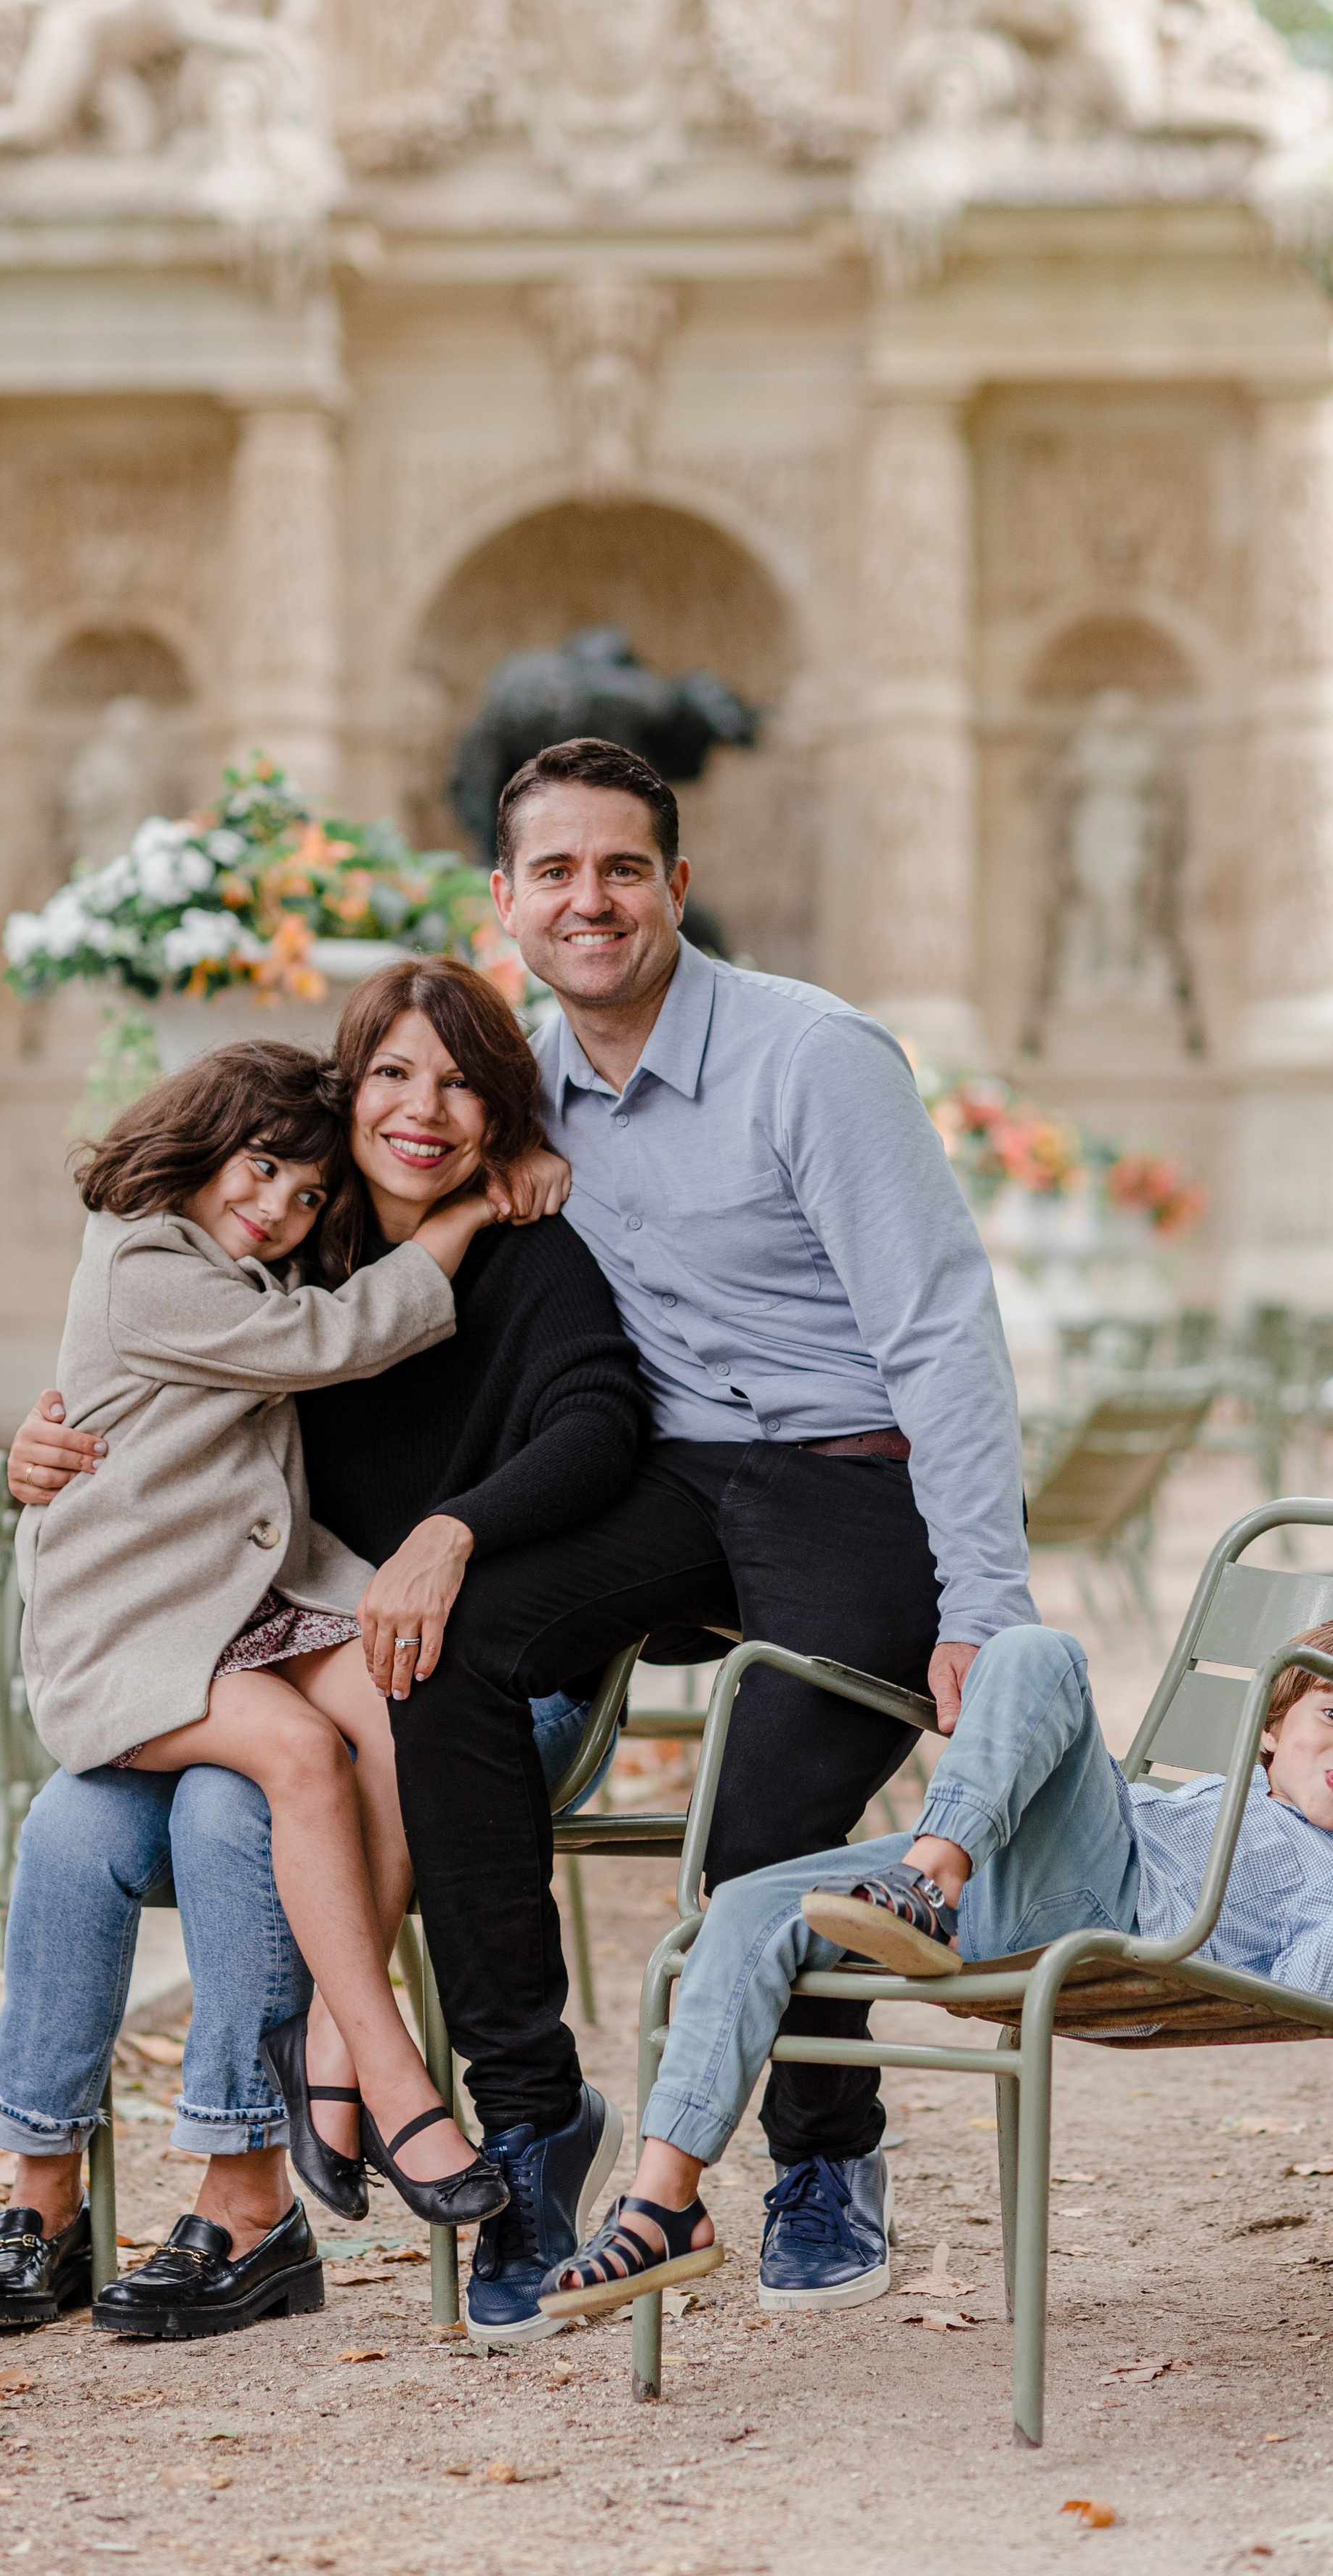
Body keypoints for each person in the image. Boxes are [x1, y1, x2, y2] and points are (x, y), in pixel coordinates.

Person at [370, 735, 1037, 2341]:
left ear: (675, 884)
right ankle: (531, 2120)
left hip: (846, 1472)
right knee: (437, 1661)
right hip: (668, 1477)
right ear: (504, 903)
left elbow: (941, 1331)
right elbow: (335, 1242)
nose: (587, 900)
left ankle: (824, 2154)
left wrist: (982, 1599)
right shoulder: (515, 1086)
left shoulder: (812, 1059)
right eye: (554, 872)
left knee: (755, 1833)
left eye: (619, 867)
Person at [0, 968, 643, 2338]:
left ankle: (252, 2183)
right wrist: (26, 1456)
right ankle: (40, 2190)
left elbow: (603, 1424)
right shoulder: (275, 1263)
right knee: (69, 1831)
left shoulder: (506, 1250)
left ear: (502, 1109)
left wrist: (455, 1526)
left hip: (372, 1645)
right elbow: (238, 1372)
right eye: (392, 1077)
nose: (422, 1111)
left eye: (460, 1086)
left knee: (242, 1798)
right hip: (189, 1634)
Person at [535, 1618, 1333, 2316]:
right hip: (1015, 1882)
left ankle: (928, 1878)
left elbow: (1310, 1987)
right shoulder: (1226, 1790)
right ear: (1269, 1733)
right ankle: (664, 2208)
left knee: (1040, 1652)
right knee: (747, 1903)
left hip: (1118, 1925)